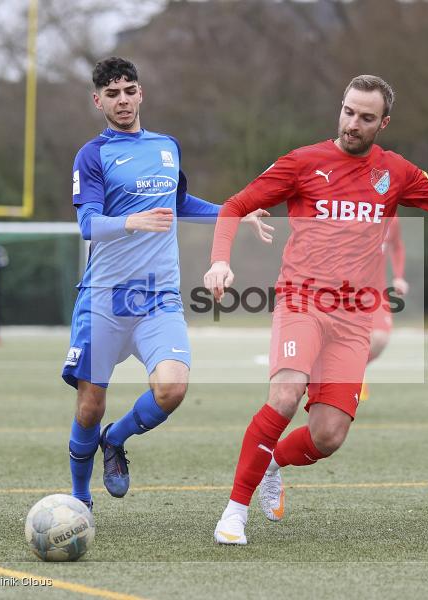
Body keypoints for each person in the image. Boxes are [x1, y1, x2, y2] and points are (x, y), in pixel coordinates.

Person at [204, 74, 428, 545]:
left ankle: (273, 460)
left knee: (328, 436)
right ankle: (234, 513)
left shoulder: (395, 171)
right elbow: (235, 205)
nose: (352, 124)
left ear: (383, 123)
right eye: (348, 111)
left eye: (365, 117)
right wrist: (219, 260)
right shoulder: (302, 162)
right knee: (285, 394)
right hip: (302, 301)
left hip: (355, 315)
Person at [62, 57, 272, 510]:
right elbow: (88, 225)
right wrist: (130, 221)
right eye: (112, 94)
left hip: (158, 298)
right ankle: (80, 499)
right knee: (89, 407)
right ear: (98, 100)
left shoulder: (167, 147)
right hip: (105, 298)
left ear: (141, 94)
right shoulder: (92, 155)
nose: (122, 100)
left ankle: (114, 441)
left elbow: (180, 203)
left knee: (173, 390)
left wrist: (234, 211)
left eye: (129, 90)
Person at [360, 222, 408, 402]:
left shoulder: (392, 218)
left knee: (380, 338)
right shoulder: (347, 210)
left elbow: (397, 246)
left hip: (376, 293)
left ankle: (354, 371)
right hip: (343, 291)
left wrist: (398, 276)